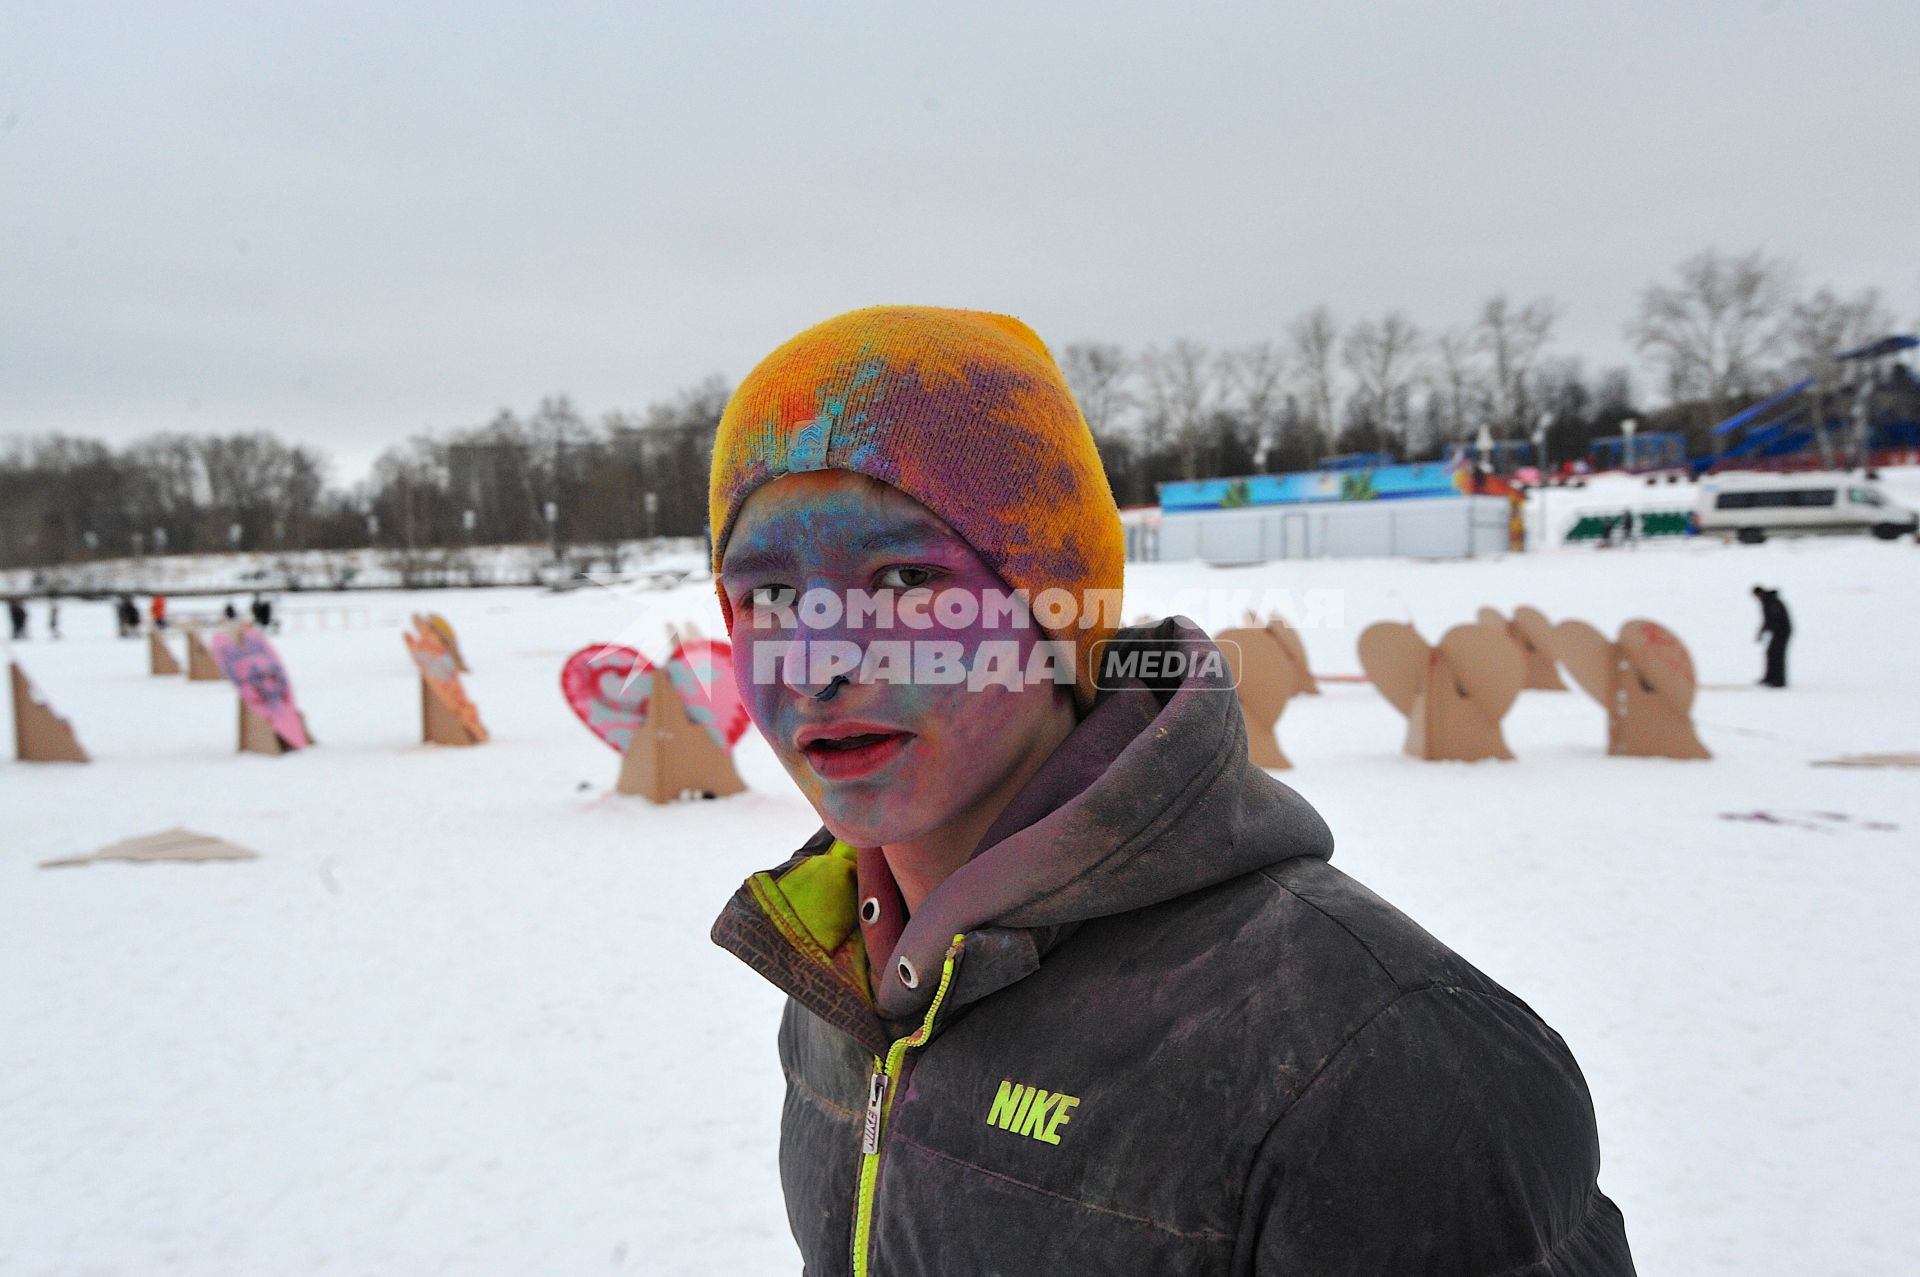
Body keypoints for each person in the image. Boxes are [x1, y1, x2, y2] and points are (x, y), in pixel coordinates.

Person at [707, 306, 1634, 1275]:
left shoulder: (1384, 1062)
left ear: (1055, 604)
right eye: (768, 597)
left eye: (901, 577)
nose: (816, 664)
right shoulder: (839, 985)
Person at [1754, 585, 1792, 688]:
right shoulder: (1767, 601)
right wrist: (1762, 632)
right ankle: (1770, 677)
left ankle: (1779, 681)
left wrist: (1764, 631)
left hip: (1782, 632)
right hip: (1777, 632)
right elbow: (1767, 620)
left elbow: (1774, 619)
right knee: (1771, 653)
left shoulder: (1772, 602)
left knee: (1777, 654)